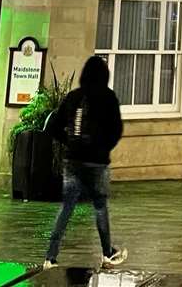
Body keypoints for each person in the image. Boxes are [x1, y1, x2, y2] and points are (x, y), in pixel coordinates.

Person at [43, 57, 128, 270]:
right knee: (100, 206)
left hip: (73, 161)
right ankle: (107, 253)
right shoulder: (108, 98)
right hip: (97, 163)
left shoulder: (73, 97)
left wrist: (69, 142)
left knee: (66, 208)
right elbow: (116, 130)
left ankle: (50, 257)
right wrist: (103, 148)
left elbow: (52, 126)